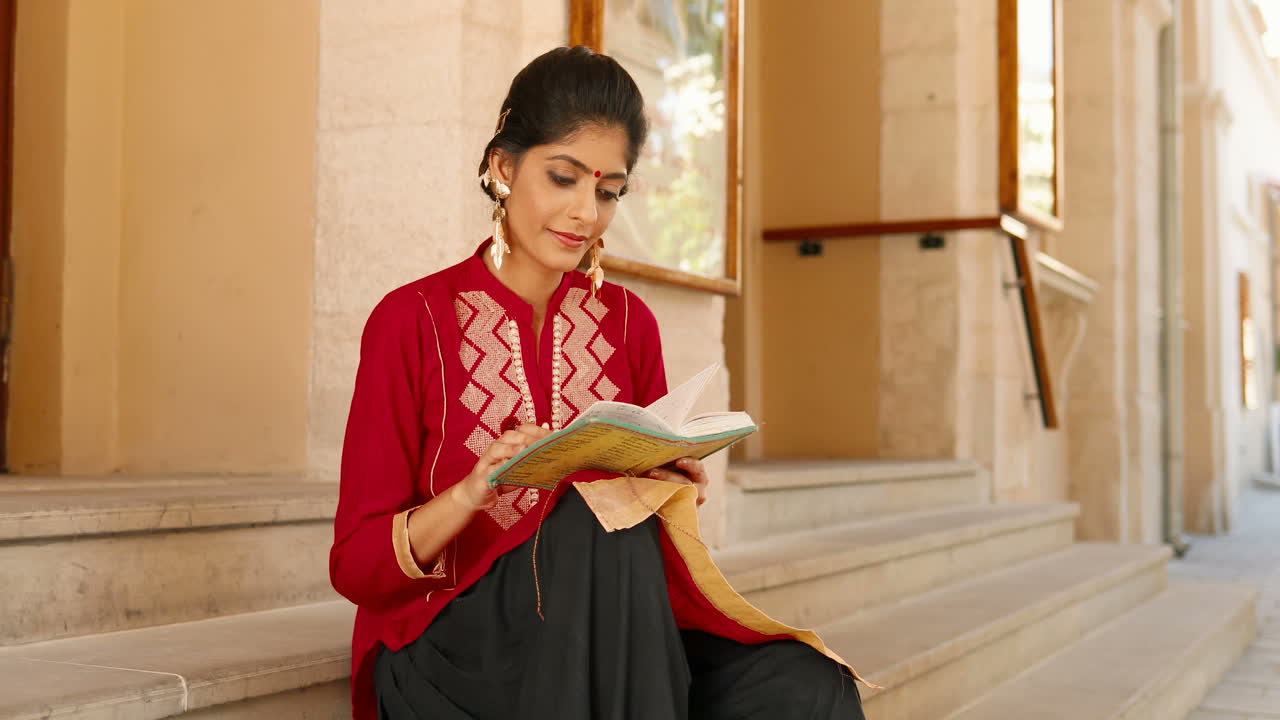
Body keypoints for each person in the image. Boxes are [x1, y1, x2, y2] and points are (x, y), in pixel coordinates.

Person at [330, 45, 869, 720]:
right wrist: (475, 489)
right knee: (588, 519)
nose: (586, 212)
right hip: (452, 648)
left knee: (806, 687)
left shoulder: (627, 324)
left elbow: (638, 536)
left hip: (611, 641)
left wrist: (667, 489)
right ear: (502, 167)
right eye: (563, 178)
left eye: (608, 191)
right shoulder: (411, 320)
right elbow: (354, 565)